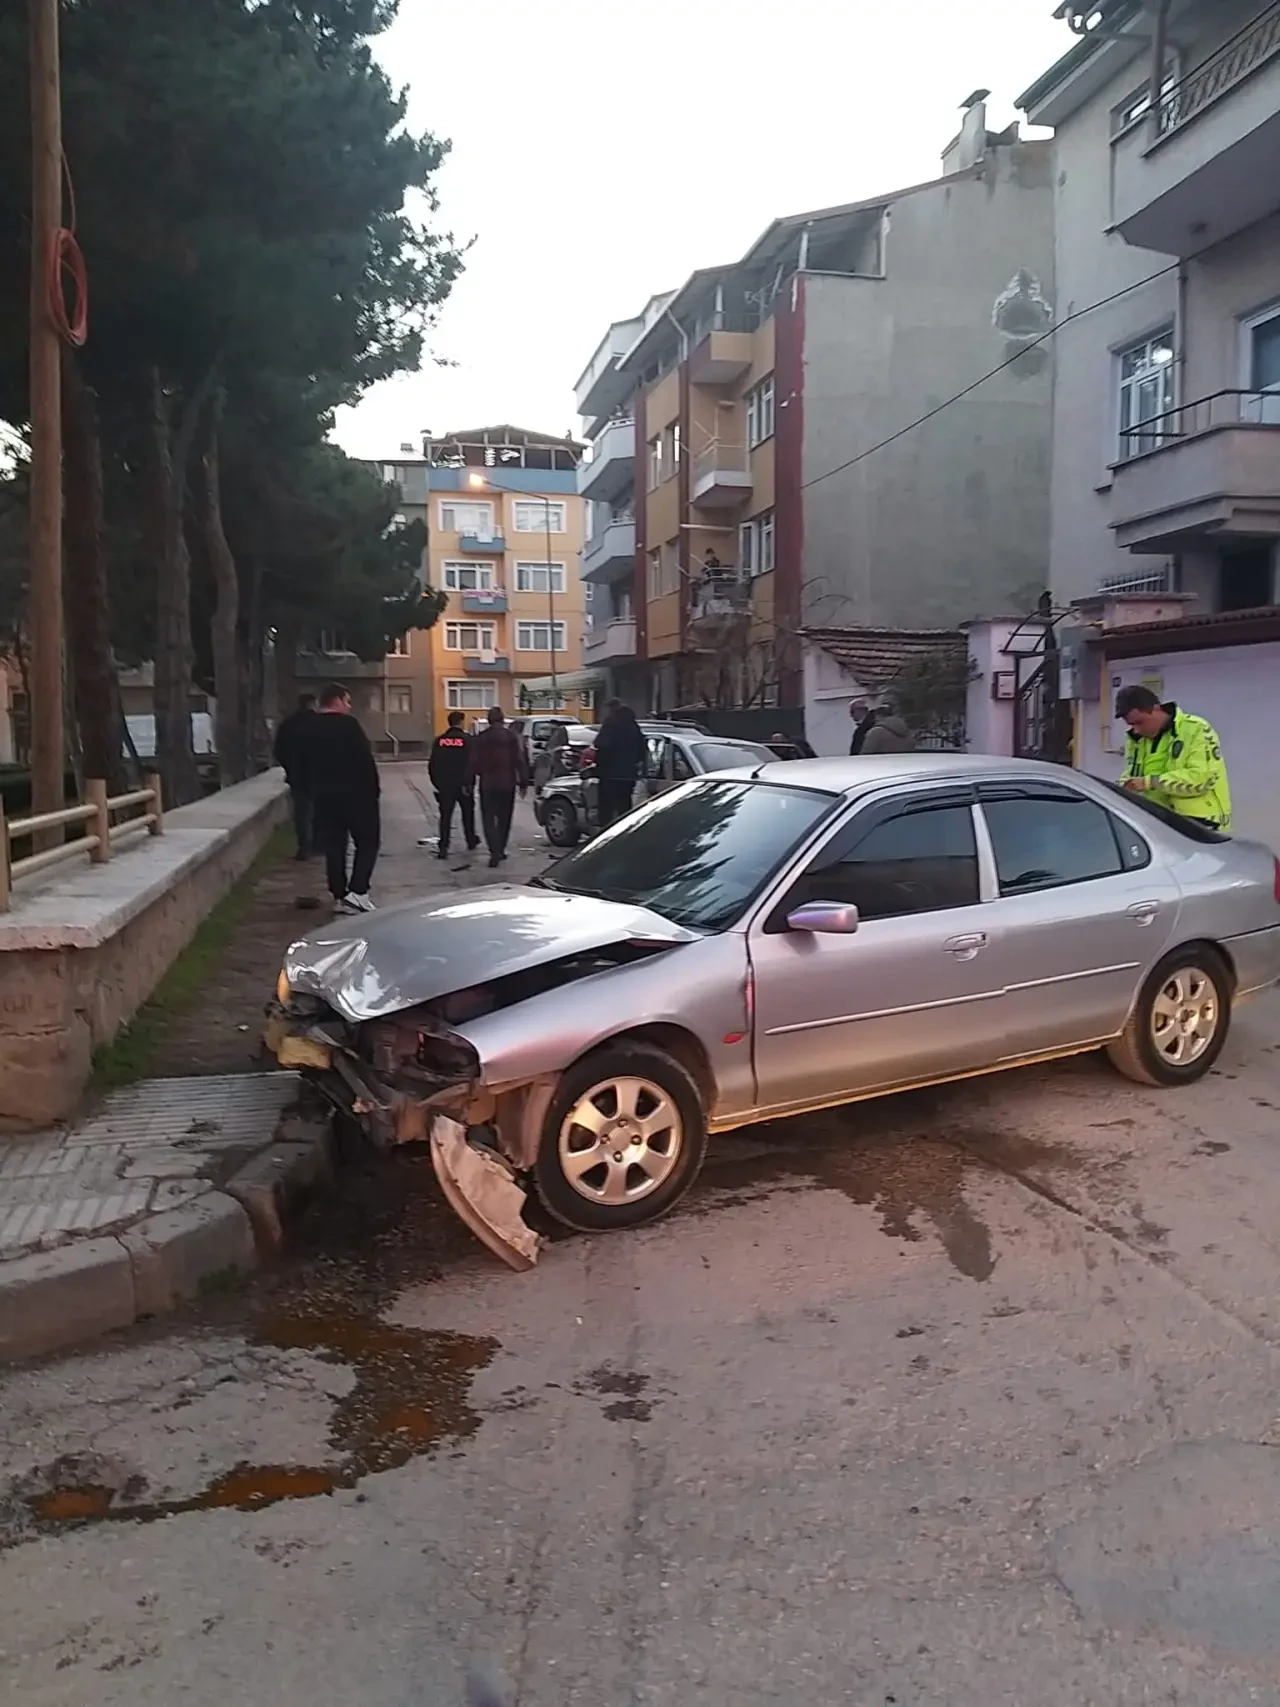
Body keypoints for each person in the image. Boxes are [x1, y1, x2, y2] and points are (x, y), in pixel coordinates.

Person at [307, 682, 381, 912]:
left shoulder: (310, 727)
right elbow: (364, 759)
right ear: (337, 701)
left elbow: (300, 762)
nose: (349, 706)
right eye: (347, 701)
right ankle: (358, 891)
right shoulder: (349, 726)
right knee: (368, 842)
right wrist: (374, 789)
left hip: (325, 797)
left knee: (335, 846)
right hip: (357, 795)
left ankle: (339, 894)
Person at [1115, 685, 1232, 829]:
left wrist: (1149, 782)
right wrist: (1123, 785)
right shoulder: (1136, 739)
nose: (1136, 730)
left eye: (1140, 722)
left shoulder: (1196, 729)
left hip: (1201, 825)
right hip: (1159, 824)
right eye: (1131, 725)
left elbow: (1202, 779)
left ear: (1156, 709)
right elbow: (1130, 774)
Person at [466, 706, 530, 867]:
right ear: (502, 719)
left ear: (489, 720)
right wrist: (523, 781)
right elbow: (519, 760)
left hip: (487, 784)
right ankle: (500, 849)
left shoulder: (481, 738)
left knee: (488, 818)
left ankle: (494, 850)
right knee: (504, 818)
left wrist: (468, 781)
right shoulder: (511, 737)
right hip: (507, 783)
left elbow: (473, 761)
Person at [427, 710, 479, 859]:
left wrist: (437, 783)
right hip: (463, 785)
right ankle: (470, 840)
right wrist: (469, 783)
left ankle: (444, 846)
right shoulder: (468, 740)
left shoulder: (440, 741)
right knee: (468, 814)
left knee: (445, 817)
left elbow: (432, 764)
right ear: (461, 722)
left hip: (445, 786)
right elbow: (472, 763)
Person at [272, 693, 318, 858]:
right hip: (319, 774)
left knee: (301, 811)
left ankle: (304, 846)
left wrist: (289, 767)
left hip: (297, 775)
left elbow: (278, 750)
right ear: (313, 704)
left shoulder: (288, 725)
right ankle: (318, 845)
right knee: (319, 810)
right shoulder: (320, 723)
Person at [594, 699, 647, 828]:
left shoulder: (611, 723)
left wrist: (599, 767)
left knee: (606, 810)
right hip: (627, 775)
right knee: (624, 806)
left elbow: (601, 746)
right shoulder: (633, 725)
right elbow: (642, 748)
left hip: (609, 775)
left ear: (613, 708)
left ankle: (606, 835)